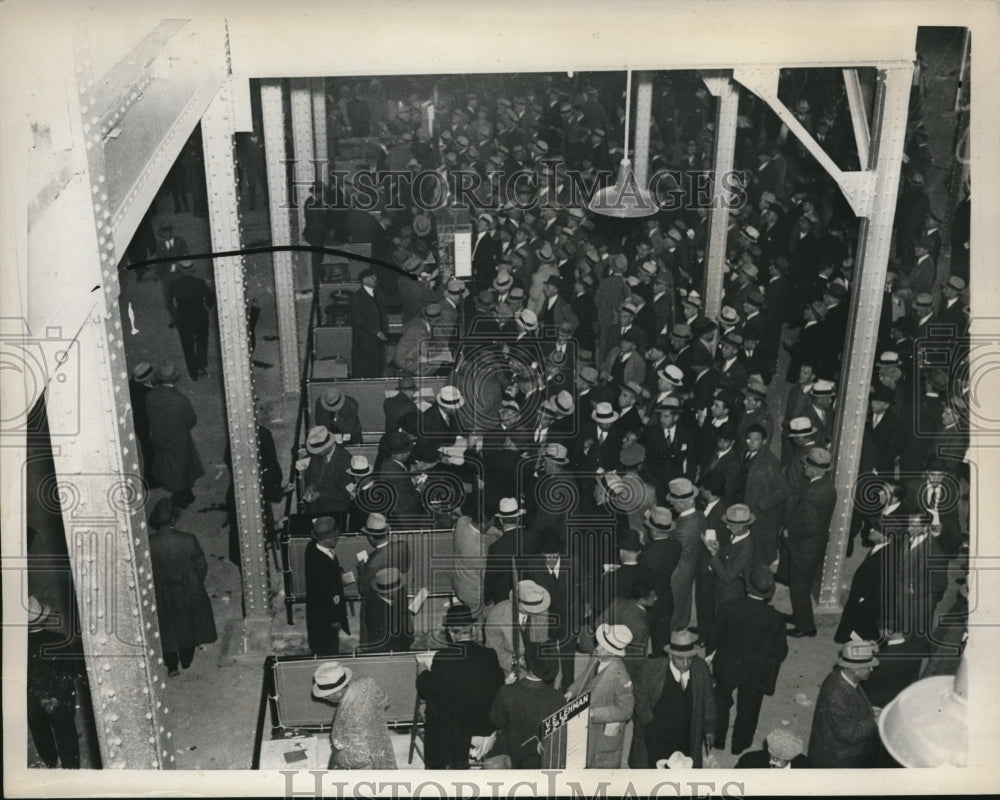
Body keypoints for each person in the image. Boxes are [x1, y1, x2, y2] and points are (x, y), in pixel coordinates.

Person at [706, 566, 788, 756]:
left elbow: (714, 637)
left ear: (747, 588)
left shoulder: (729, 608)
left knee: (721, 701)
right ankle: (739, 745)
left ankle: (719, 739)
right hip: (756, 671)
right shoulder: (776, 619)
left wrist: (710, 657)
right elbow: (780, 651)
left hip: (727, 666)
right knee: (749, 708)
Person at [416, 604, 505, 769]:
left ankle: (439, 764)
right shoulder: (489, 655)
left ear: (450, 632)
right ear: (474, 630)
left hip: (455, 728)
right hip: (483, 723)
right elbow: (499, 685)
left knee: (436, 706)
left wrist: (423, 673)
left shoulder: (442, 657)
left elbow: (427, 691)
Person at [146, 498, 217, 675]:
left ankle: (171, 665)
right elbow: (201, 565)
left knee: (166, 626)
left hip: (161, 590)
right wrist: (195, 582)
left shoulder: (149, 544)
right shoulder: (188, 540)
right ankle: (186, 659)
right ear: (173, 519)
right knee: (187, 622)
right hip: (187, 588)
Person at [635, 629, 715, 768]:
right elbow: (639, 698)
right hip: (658, 733)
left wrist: (709, 728)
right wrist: (650, 723)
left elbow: (708, 701)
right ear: (670, 655)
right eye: (680, 658)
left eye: (689, 658)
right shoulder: (651, 670)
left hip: (687, 732)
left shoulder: (701, 669)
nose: (685, 663)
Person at [564, 623, 636, 769]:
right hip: (585, 722)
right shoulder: (598, 655)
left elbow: (626, 711)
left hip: (601, 729)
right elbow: (585, 676)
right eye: (599, 644)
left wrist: (593, 713)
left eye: (603, 648)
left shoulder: (621, 677)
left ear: (614, 653)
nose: (597, 648)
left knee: (598, 766)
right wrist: (572, 691)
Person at [783, 447, 837, 638]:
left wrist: (790, 533)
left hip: (805, 548)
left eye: (806, 465)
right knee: (803, 584)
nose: (804, 467)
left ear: (815, 470)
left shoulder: (812, 494)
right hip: (816, 545)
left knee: (799, 587)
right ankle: (800, 615)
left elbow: (809, 526)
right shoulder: (828, 487)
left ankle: (805, 626)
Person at [488, 641, 567, 769]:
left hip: (507, 758)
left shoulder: (508, 691)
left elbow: (496, 721)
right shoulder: (557, 698)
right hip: (536, 761)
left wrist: (505, 686)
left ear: (527, 662)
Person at [808, 641, 881, 768]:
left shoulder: (842, 676)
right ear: (854, 670)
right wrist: (875, 721)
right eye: (868, 667)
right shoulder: (837, 695)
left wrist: (868, 711)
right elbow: (849, 734)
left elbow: (853, 704)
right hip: (840, 758)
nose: (872, 669)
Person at [27, 596, 81, 768]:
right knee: (66, 730)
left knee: (40, 730)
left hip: (34, 699)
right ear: (43, 618)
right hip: (60, 696)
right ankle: (71, 765)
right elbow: (69, 670)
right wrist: (56, 697)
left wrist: (39, 699)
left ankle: (50, 761)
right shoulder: (59, 639)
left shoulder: (19, 645)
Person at [145, 362, 203, 509]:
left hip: (159, 437)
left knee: (168, 466)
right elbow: (190, 421)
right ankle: (184, 495)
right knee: (182, 469)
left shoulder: (151, 395)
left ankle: (175, 489)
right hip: (178, 440)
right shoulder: (180, 399)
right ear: (175, 378)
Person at [484, 579, 552, 678]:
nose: (537, 612)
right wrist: (519, 663)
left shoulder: (542, 610)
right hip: (508, 668)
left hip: (536, 667)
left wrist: (540, 661)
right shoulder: (497, 615)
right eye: (532, 608)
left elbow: (542, 639)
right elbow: (494, 651)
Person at [328, 675, 398, 769]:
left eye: (326, 696)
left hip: (367, 767)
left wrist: (339, 758)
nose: (325, 699)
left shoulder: (350, 718)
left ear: (338, 693)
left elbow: (360, 759)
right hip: (380, 741)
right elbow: (385, 701)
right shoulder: (368, 682)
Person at [304, 517, 350, 656]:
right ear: (326, 539)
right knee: (327, 646)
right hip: (325, 617)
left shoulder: (313, 547)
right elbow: (325, 597)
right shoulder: (319, 566)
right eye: (335, 536)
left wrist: (337, 571)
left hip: (318, 612)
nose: (338, 537)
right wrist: (334, 620)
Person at [167, 260, 215, 380]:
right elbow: (210, 295)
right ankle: (201, 367)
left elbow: (169, 303)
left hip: (183, 318)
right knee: (202, 342)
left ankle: (193, 373)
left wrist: (175, 314)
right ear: (192, 270)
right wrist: (208, 305)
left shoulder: (174, 284)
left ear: (180, 270)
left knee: (187, 345)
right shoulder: (200, 282)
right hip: (200, 316)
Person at [360, 567, 413, 653]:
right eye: (399, 589)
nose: (401, 591)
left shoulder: (387, 600)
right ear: (390, 593)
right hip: (389, 654)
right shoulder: (375, 608)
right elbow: (382, 640)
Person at [350, 268, 389, 377]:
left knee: (377, 367)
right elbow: (358, 321)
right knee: (365, 369)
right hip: (364, 342)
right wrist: (376, 332)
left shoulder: (378, 294)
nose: (376, 279)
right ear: (364, 280)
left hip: (378, 341)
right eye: (372, 277)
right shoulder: (357, 297)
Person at [129, 362, 158, 487]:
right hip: (144, 425)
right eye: (152, 375)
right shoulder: (146, 394)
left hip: (139, 422)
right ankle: (150, 480)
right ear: (145, 379)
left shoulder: (133, 386)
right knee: (149, 451)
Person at [735, 729, 812, 768]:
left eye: (780, 757)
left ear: (792, 758)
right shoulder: (748, 762)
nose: (774, 759)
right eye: (772, 754)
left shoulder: (804, 766)